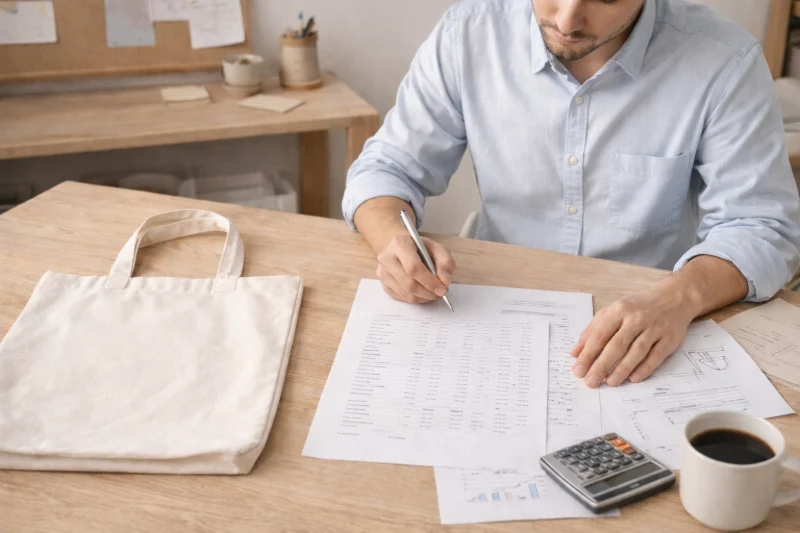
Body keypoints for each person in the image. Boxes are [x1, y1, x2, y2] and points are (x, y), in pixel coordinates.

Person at [341, 0, 800, 389]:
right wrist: (392, 241)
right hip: (491, 318)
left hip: (653, 324)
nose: (566, 20)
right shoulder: (470, 33)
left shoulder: (723, 60)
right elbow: (388, 167)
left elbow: (762, 227)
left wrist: (680, 298)